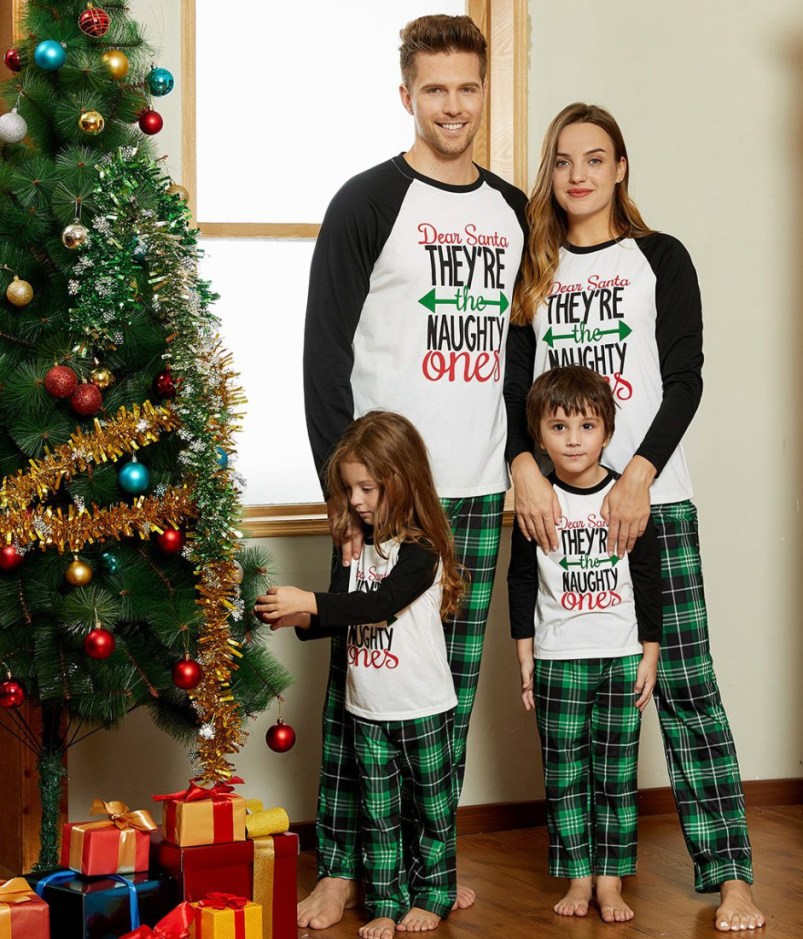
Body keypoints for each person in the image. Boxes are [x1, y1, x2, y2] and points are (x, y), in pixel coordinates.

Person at [503, 103, 767, 932]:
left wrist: (639, 475)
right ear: (549, 175)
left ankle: (731, 875)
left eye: (595, 158)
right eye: (561, 161)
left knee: (688, 690)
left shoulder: (661, 258)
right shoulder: (533, 269)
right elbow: (514, 390)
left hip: (652, 499)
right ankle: (584, 872)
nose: (577, 174)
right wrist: (523, 467)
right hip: (558, 508)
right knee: (570, 695)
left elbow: (684, 377)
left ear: (621, 168)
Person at [300, 13, 527, 930]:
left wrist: (522, 460)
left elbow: (521, 351)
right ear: (407, 95)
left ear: (484, 92)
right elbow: (324, 352)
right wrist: (343, 494)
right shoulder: (366, 201)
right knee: (363, 685)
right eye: (434, 89)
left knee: (442, 696)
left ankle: (429, 868)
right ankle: (344, 867)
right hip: (385, 493)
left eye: (467, 88)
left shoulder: (514, 209)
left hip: (473, 486)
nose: (453, 106)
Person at [256, 411, 464, 939]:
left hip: (421, 706)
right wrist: (295, 614)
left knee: (432, 811)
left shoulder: (421, 550)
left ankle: (435, 894)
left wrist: (310, 599)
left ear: (403, 478)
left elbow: (382, 604)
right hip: (367, 707)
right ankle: (385, 902)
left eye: (367, 487)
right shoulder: (356, 546)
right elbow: (345, 611)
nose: (356, 501)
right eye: (349, 489)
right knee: (378, 816)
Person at [508, 365, 661, 923]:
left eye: (587, 426)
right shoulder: (536, 500)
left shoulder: (624, 497)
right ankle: (577, 877)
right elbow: (521, 581)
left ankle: (610, 879)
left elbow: (648, 577)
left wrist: (651, 650)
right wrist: (524, 656)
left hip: (621, 655)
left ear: (607, 431)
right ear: (539, 434)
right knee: (565, 774)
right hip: (556, 659)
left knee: (617, 775)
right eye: (558, 426)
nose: (573, 439)